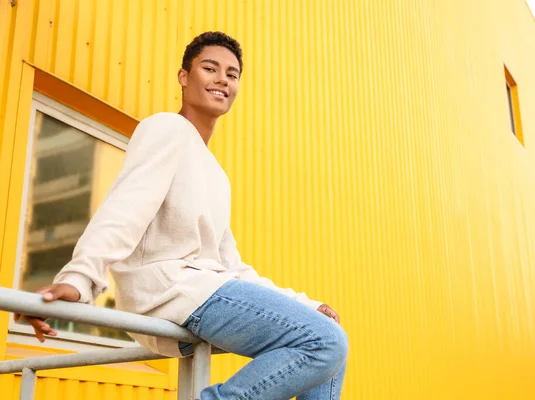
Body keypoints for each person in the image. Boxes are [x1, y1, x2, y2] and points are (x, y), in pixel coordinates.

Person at [14, 31, 348, 399]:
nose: (223, 79)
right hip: (171, 293)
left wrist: (307, 304)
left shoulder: (216, 175)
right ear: (184, 77)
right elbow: (126, 207)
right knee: (324, 342)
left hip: (203, 291)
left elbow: (231, 266)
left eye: (232, 74)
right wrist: (79, 278)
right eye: (210, 68)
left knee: (331, 343)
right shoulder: (166, 128)